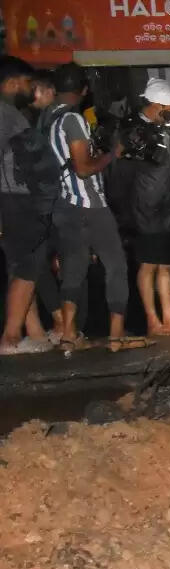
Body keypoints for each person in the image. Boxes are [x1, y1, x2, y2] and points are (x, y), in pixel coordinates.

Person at [45, 65, 129, 348]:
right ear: (83, 90)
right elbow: (83, 169)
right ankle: (116, 334)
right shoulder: (73, 119)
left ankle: (69, 334)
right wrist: (112, 155)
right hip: (89, 204)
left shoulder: (49, 120)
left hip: (64, 205)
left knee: (74, 268)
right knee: (116, 265)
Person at [117, 80, 170, 336]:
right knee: (149, 263)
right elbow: (123, 167)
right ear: (155, 105)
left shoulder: (162, 128)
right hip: (146, 207)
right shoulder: (134, 129)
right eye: (168, 109)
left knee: (167, 263)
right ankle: (153, 321)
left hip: (169, 205)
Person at [0, 57, 57, 354]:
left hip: (17, 199)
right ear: (12, 84)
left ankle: (33, 333)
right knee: (27, 268)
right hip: (17, 200)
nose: (31, 89)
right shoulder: (4, 115)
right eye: (27, 83)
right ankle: (9, 338)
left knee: (24, 267)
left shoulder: (12, 114)